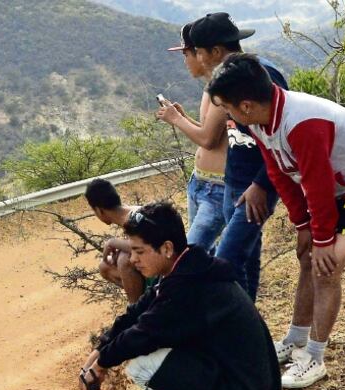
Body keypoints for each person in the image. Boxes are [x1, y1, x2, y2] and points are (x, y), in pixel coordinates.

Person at [206, 53, 345, 389]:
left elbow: (318, 183)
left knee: (325, 266)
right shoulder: (258, 119)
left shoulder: (303, 123)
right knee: (306, 257)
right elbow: (278, 172)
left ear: (245, 105)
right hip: (340, 184)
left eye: (226, 107)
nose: (226, 114)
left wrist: (324, 239)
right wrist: (302, 226)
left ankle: (314, 357)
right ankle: (296, 338)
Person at [79, 201, 281, 390]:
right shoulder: (187, 267)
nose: (132, 259)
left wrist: (102, 364)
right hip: (245, 381)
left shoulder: (189, 288)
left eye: (139, 252)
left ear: (166, 248)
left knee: (141, 366)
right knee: (150, 347)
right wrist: (99, 350)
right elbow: (137, 312)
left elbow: (143, 334)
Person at [157, 12, 288, 301]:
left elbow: (280, 138)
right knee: (245, 259)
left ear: (215, 51)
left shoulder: (261, 74)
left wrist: (261, 185)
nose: (196, 58)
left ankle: (232, 326)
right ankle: (249, 326)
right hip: (235, 183)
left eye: (199, 52)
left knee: (225, 258)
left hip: (254, 187)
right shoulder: (225, 79)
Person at [156, 23, 229, 266]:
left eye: (187, 54)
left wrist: (177, 120)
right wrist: (183, 117)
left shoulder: (224, 88)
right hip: (200, 183)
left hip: (217, 189)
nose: (186, 60)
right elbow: (211, 133)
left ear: (202, 53)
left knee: (186, 259)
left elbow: (208, 140)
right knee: (203, 257)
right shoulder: (211, 86)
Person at [84, 178, 146, 303]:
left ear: (99, 210)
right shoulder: (130, 213)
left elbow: (148, 246)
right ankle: (145, 300)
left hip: (166, 269)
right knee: (105, 267)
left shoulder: (133, 217)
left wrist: (112, 242)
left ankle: (136, 311)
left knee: (124, 259)